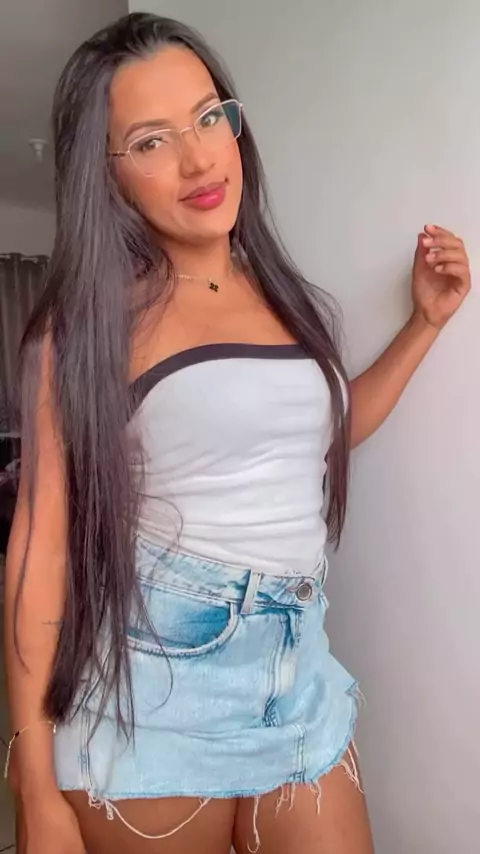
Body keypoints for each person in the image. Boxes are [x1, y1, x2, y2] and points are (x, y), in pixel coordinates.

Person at [4, 12, 470, 854]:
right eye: (152, 140)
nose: (199, 159)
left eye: (209, 116)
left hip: (298, 676)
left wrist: (424, 325)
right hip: (151, 694)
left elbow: (323, 439)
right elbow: (39, 554)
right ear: (107, 175)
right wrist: (32, 784)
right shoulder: (82, 330)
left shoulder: (282, 294)